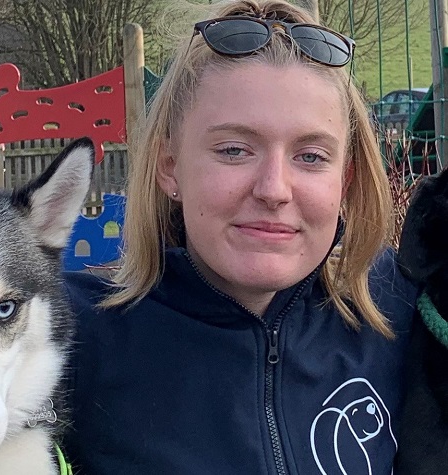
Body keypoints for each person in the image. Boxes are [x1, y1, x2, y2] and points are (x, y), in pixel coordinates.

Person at [61, 1, 419, 474]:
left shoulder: (402, 310)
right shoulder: (65, 336)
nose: (274, 188)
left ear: (345, 180)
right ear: (170, 166)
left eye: (311, 156)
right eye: (234, 150)